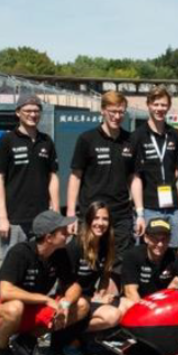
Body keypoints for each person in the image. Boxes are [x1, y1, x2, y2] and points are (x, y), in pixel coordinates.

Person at [0, 210, 89, 355]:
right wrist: (45, 300)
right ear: (49, 237)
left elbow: (73, 286)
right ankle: (2, 351)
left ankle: (26, 342)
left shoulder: (59, 253)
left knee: (81, 305)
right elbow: (6, 292)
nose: (68, 233)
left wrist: (65, 304)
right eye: (63, 231)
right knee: (15, 307)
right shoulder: (20, 253)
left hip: (29, 309)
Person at [66, 91, 135, 273]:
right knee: (85, 267)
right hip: (91, 214)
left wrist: (141, 212)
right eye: (113, 111)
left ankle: (110, 290)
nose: (117, 116)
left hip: (120, 215)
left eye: (121, 112)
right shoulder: (87, 139)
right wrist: (71, 214)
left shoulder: (130, 140)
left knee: (118, 268)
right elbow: (75, 177)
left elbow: (134, 178)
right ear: (103, 110)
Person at [0, 95, 59, 256]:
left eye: (36, 111)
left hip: (42, 218)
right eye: (28, 111)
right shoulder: (7, 140)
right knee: (14, 265)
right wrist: (2, 217)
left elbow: (53, 176)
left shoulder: (46, 141)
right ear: (18, 112)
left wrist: (55, 209)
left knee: (41, 263)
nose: (32, 115)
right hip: (15, 219)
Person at [131, 86, 178, 248]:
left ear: (168, 106)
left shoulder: (175, 134)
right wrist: (140, 212)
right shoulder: (138, 136)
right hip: (149, 207)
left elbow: (177, 170)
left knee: (173, 251)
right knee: (149, 251)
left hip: (173, 207)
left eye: (163, 105)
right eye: (156, 104)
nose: (159, 109)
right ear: (148, 105)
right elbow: (135, 177)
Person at [65, 202, 128, 333]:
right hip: (73, 300)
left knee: (129, 305)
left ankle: (83, 333)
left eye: (105, 219)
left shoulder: (106, 245)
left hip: (90, 298)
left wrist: (102, 294)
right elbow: (65, 285)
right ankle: (67, 333)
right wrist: (95, 299)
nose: (100, 223)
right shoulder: (76, 245)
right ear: (88, 220)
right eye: (96, 218)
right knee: (113, 316)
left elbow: (105, 275)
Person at [120, 218, 178, 303]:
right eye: (155, 239)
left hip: (163, 303)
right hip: (138, 303)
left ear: (169, 239)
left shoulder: (174, 257)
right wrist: (149, 309)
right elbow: (130, 292)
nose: (160, 244)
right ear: (146, 238)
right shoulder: (132, 256)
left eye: (164, 239)